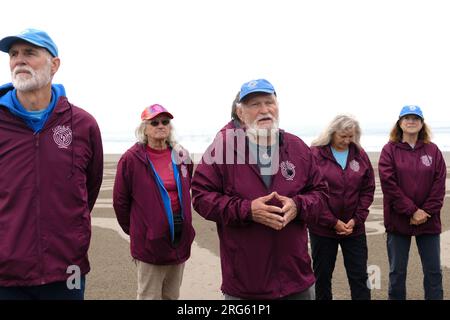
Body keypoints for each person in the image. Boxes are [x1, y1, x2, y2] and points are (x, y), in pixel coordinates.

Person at [191, 78, 328, 300]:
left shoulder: (297, 147)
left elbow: (321, 193)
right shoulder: (222, 148)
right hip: (246, 284)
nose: (264, 110)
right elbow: (200, 196)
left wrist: (298, 205)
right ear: (240, 112)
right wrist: (247, 210)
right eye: (254, 105)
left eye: (269, 102)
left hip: (297, 278)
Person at [0, 28, 103, 300]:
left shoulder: (83, 124)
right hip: (6, 274)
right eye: (13, 54)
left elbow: (89, 189)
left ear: (54, 64)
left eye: (30, 53)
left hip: (67, 270)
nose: (18, 60)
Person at [113, 104, 195, 300]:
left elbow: (188, 185)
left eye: (165, 122)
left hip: (178, 238)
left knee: (172, 295)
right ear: (144, 128)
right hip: (149, 243)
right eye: (154, 122)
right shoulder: (131, 159)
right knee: (149, 296)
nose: (161, 125)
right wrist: (140, 230)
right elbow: (120, 202)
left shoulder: (181, 156)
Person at [378, 105, 446, 300]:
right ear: (399, 123)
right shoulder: (389, 150)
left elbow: (439, 185)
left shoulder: (432, 150)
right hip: (399, 221)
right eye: (407, 118)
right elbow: (389, 185)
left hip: (429, 221)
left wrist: (425, 212)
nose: (411, 121)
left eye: (416, 118)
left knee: (433, 272)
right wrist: (411, 211)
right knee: (397, 273)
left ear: (422, 123)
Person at [309, 114, 375, 300]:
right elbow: (310, 191)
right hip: (322, 229)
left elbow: (367, 189)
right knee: (322, 277)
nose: (347, 141)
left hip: (354, 229)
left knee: (359, 276)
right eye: (342, 136)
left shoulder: (360, 155)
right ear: (331, 133)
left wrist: (356, 219)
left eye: (350, 136)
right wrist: (332, 221)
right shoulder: (315, 154)